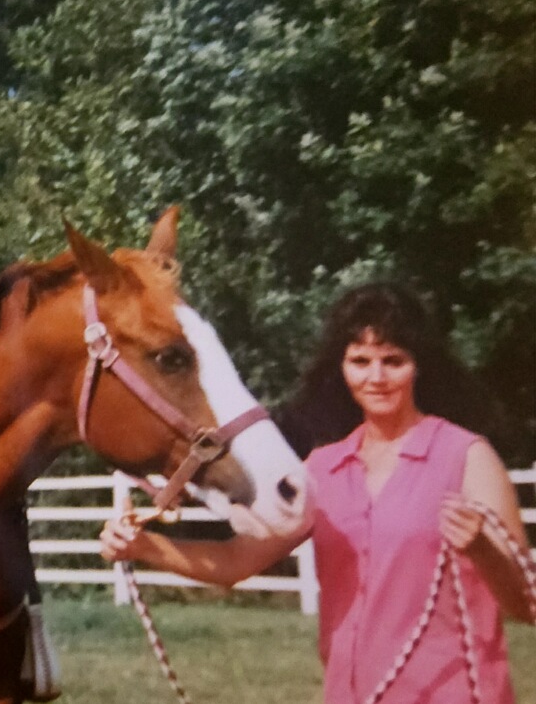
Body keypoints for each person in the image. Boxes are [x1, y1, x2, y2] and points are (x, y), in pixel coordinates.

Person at [100, 282, 533, 704]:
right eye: (360, 361)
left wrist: (482, 550)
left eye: (393, 360)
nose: (376, 377)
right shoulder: (323, 469)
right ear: (340, 368)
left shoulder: (466, 457)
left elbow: (527, 605)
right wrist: (144, 546)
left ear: (419, 365)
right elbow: (237, 561)